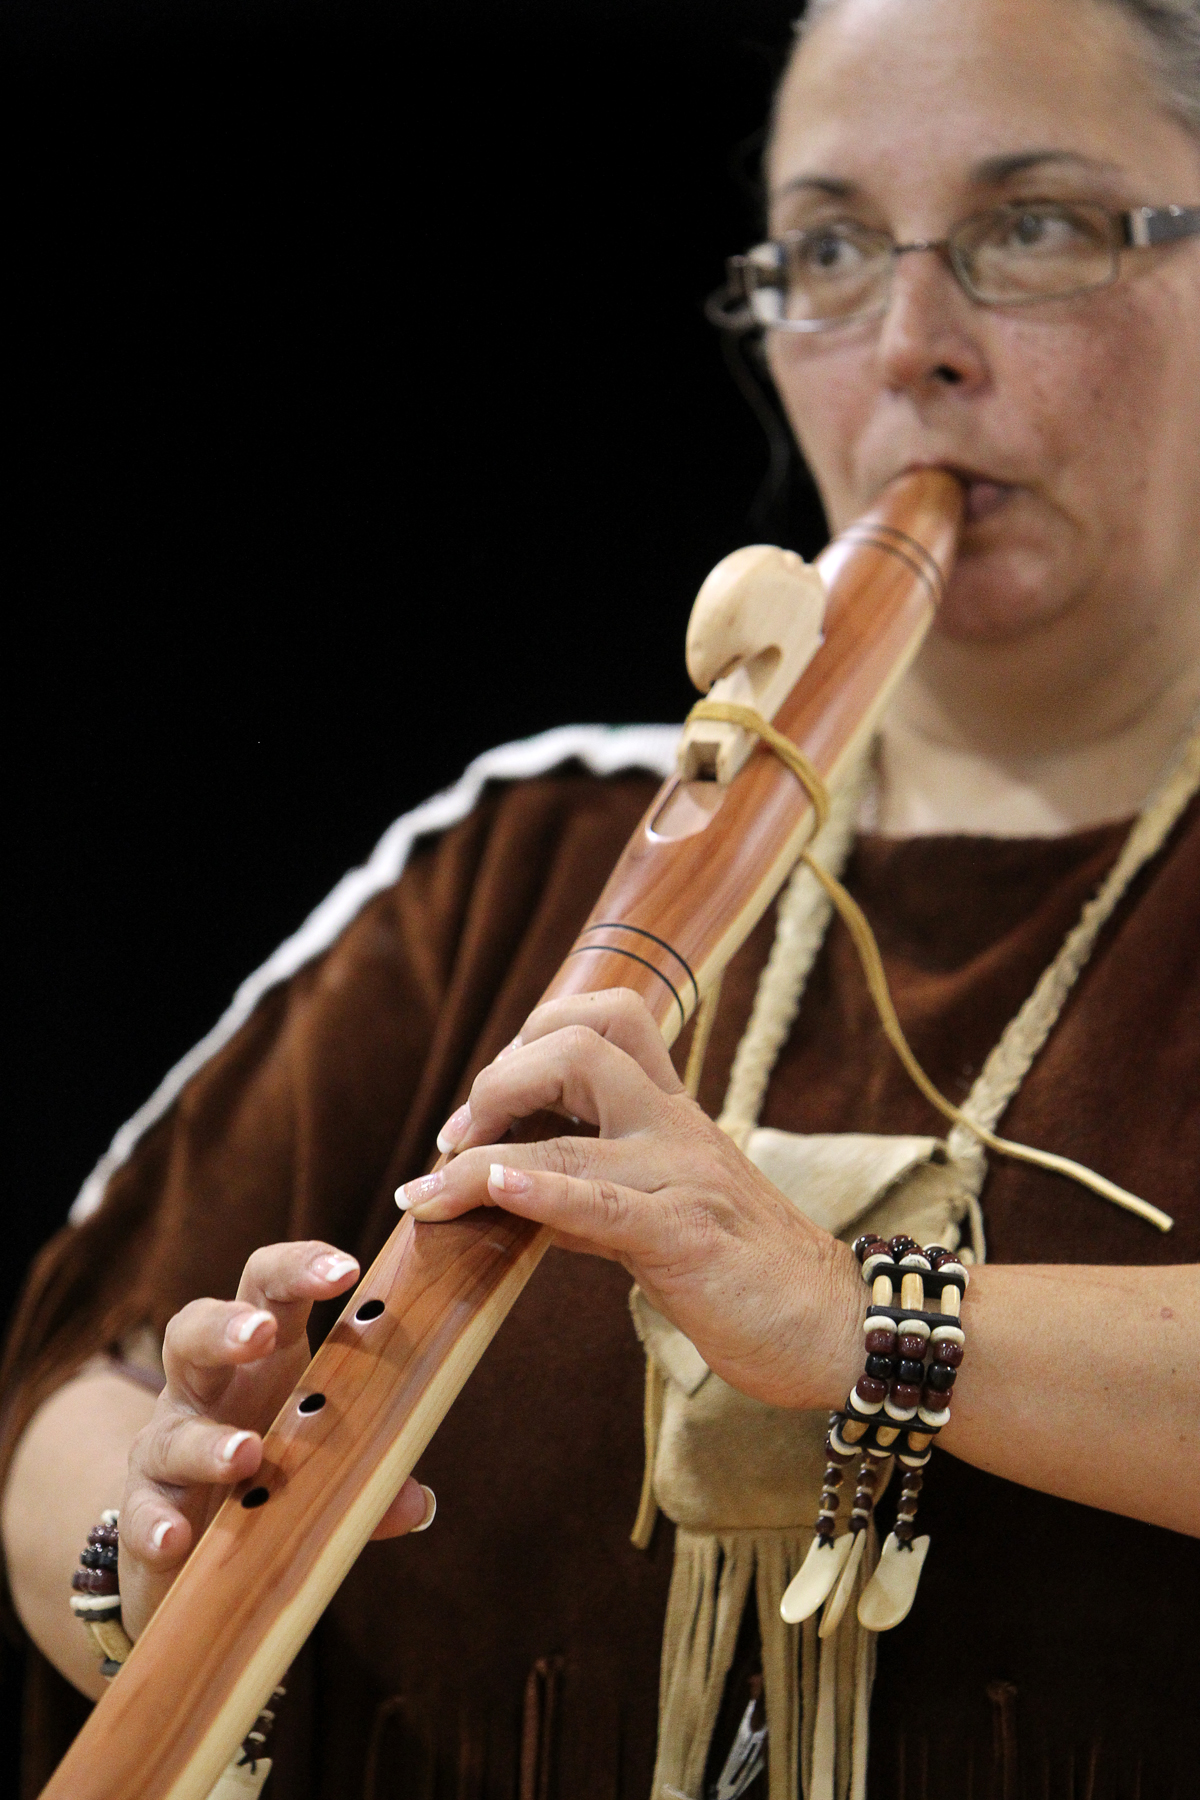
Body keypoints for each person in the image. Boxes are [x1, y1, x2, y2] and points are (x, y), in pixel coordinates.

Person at [3, 0, 1199, 1795]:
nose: (909, 346)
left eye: (1037, 227)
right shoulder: (536, 842)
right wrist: (150, 1556)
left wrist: (857, 1313)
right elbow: (67, 1389)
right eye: (831, 248)